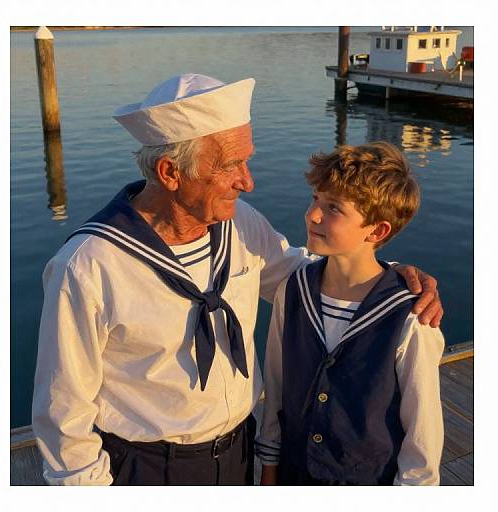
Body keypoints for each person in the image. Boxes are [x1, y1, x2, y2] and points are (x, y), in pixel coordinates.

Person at [32, 74, 443, 486]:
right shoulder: (88, 266)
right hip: (146, 470)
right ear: (170, 172)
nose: (248, 181)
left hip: (240, 456)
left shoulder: (242, 224)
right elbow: (63, 413)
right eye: (230, 165)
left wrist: (395, 278)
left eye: (246, 160)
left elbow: (307, 276)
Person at [256, 142, 445, 486]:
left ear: (377, 230)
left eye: (333, 208)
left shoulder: (411, 319)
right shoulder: (293, 290)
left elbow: (423, 439)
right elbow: (276, 391)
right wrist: (269, 471)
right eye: (315, 198)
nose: (313, 214)